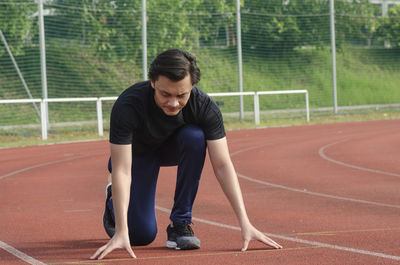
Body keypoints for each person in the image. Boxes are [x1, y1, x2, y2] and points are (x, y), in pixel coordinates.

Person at [90, 49, 282, 260]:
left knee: (195, 137)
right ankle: (112, 201)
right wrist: (121, 231)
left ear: (192, 86)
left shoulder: (203, 106)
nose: (173, 103)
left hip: (174, 148)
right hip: (139, 155)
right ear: (152, 82)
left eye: (181, 95)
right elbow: (122, 170)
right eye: (165, 94)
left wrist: (245, 222)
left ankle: (180, 224)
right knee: (140, 235)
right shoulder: (128, 105)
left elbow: (222, 165)